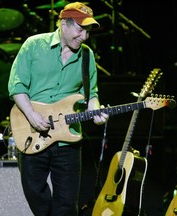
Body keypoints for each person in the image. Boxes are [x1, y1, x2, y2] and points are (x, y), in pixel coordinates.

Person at [8, 2, 109, 216]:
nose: (84, 37)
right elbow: (16, 86)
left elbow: (92, 95)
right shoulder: (33, 45)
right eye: (80, 30)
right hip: (32, 131)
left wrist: (97, 111)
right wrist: (32, 115)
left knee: (66, 204)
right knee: (34, 192)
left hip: (68, 138)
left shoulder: (87, 56)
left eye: (88, 32)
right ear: (64, 24)